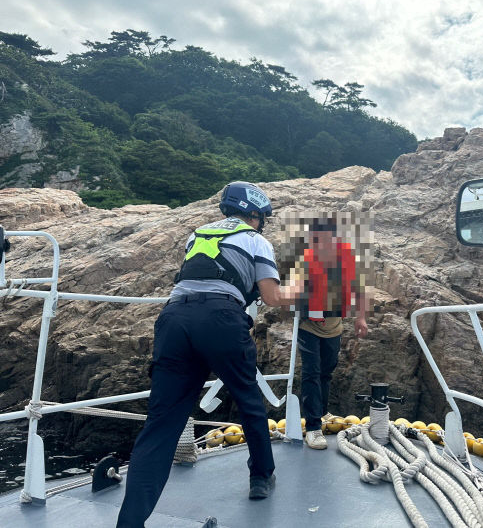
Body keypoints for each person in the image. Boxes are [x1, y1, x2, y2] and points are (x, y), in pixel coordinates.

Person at [117, 182, 300, 528]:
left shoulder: (197, 234)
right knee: (248, 400)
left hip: (173, 320)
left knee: (160, 424)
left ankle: (130, 522)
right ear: (256, 215)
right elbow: (272, 297)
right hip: (221, 320)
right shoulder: (257, 240)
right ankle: (261, 478)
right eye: (262, 217)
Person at [294, 216, 369, 450]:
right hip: (308, 326)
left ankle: (323, 411)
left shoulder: (346, 258)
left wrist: (361, 317)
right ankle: (314, 427)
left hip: (334, 326)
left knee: (326, 372)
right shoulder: (305, 259)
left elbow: (359, 289)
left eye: (323, 239)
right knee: (311, 372)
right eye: (315, 240)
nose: (319, 244)